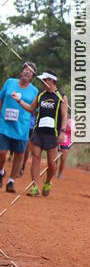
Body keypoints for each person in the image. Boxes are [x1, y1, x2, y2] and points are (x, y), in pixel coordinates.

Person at [13, 70, 68, 197]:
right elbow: (31, 109)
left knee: (52, 164)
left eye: (44, 80)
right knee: (36, 159)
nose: (42, 82)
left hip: (52, 134)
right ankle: (35, 187)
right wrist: (19, 101)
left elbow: (65, 115)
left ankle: (48, 182)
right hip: (38, 132)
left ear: (50, 81)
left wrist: (63, 132)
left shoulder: (61, 96)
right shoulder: (40, 95)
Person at [0, 62, 39, 194]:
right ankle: (1, 171)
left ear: (33, 76)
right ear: (21, 71)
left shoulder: (34, 91)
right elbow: (1, 99)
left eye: (31, 72)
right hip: (4, 124)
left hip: (22, 127)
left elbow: (34, 110)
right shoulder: (10, 82)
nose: (27, 72)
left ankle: (11, 181)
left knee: (19, 155)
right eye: (26, 70)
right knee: (1, 152)